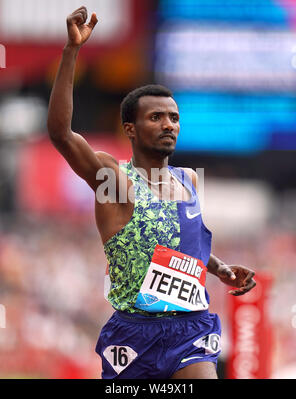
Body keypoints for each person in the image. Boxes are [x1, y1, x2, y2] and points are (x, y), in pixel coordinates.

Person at [47, 6, 256, 379]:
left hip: (190, 330)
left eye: (174, 118)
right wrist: (71, 51)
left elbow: (186, 244)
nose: (168, 125)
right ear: (130, 128)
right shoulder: (113, 180)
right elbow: (62, 135)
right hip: (132, 335)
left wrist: (220, 268)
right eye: (156, 117)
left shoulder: (190, 179)